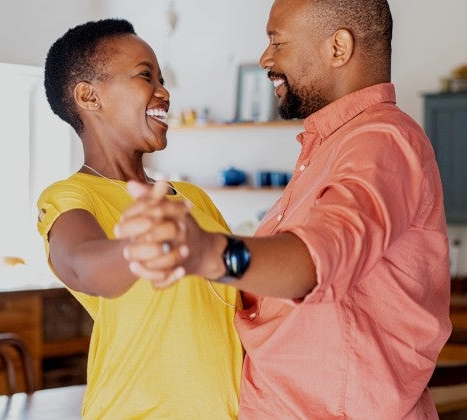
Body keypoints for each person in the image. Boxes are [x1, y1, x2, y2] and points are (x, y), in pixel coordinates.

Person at [114, 0, 452, 418]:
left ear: (338, 48)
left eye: (278, 41)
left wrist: (205, 251)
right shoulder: (330, 147)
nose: (265, 58)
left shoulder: (382, 142)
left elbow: (320, 256)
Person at [37, 18, 243, 419]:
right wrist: (144, 246)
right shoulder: (70, 196)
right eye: (146, 76)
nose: (164, 91)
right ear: (89, 96)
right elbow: (83, 264)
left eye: (162, 78)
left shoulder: (192, 198)